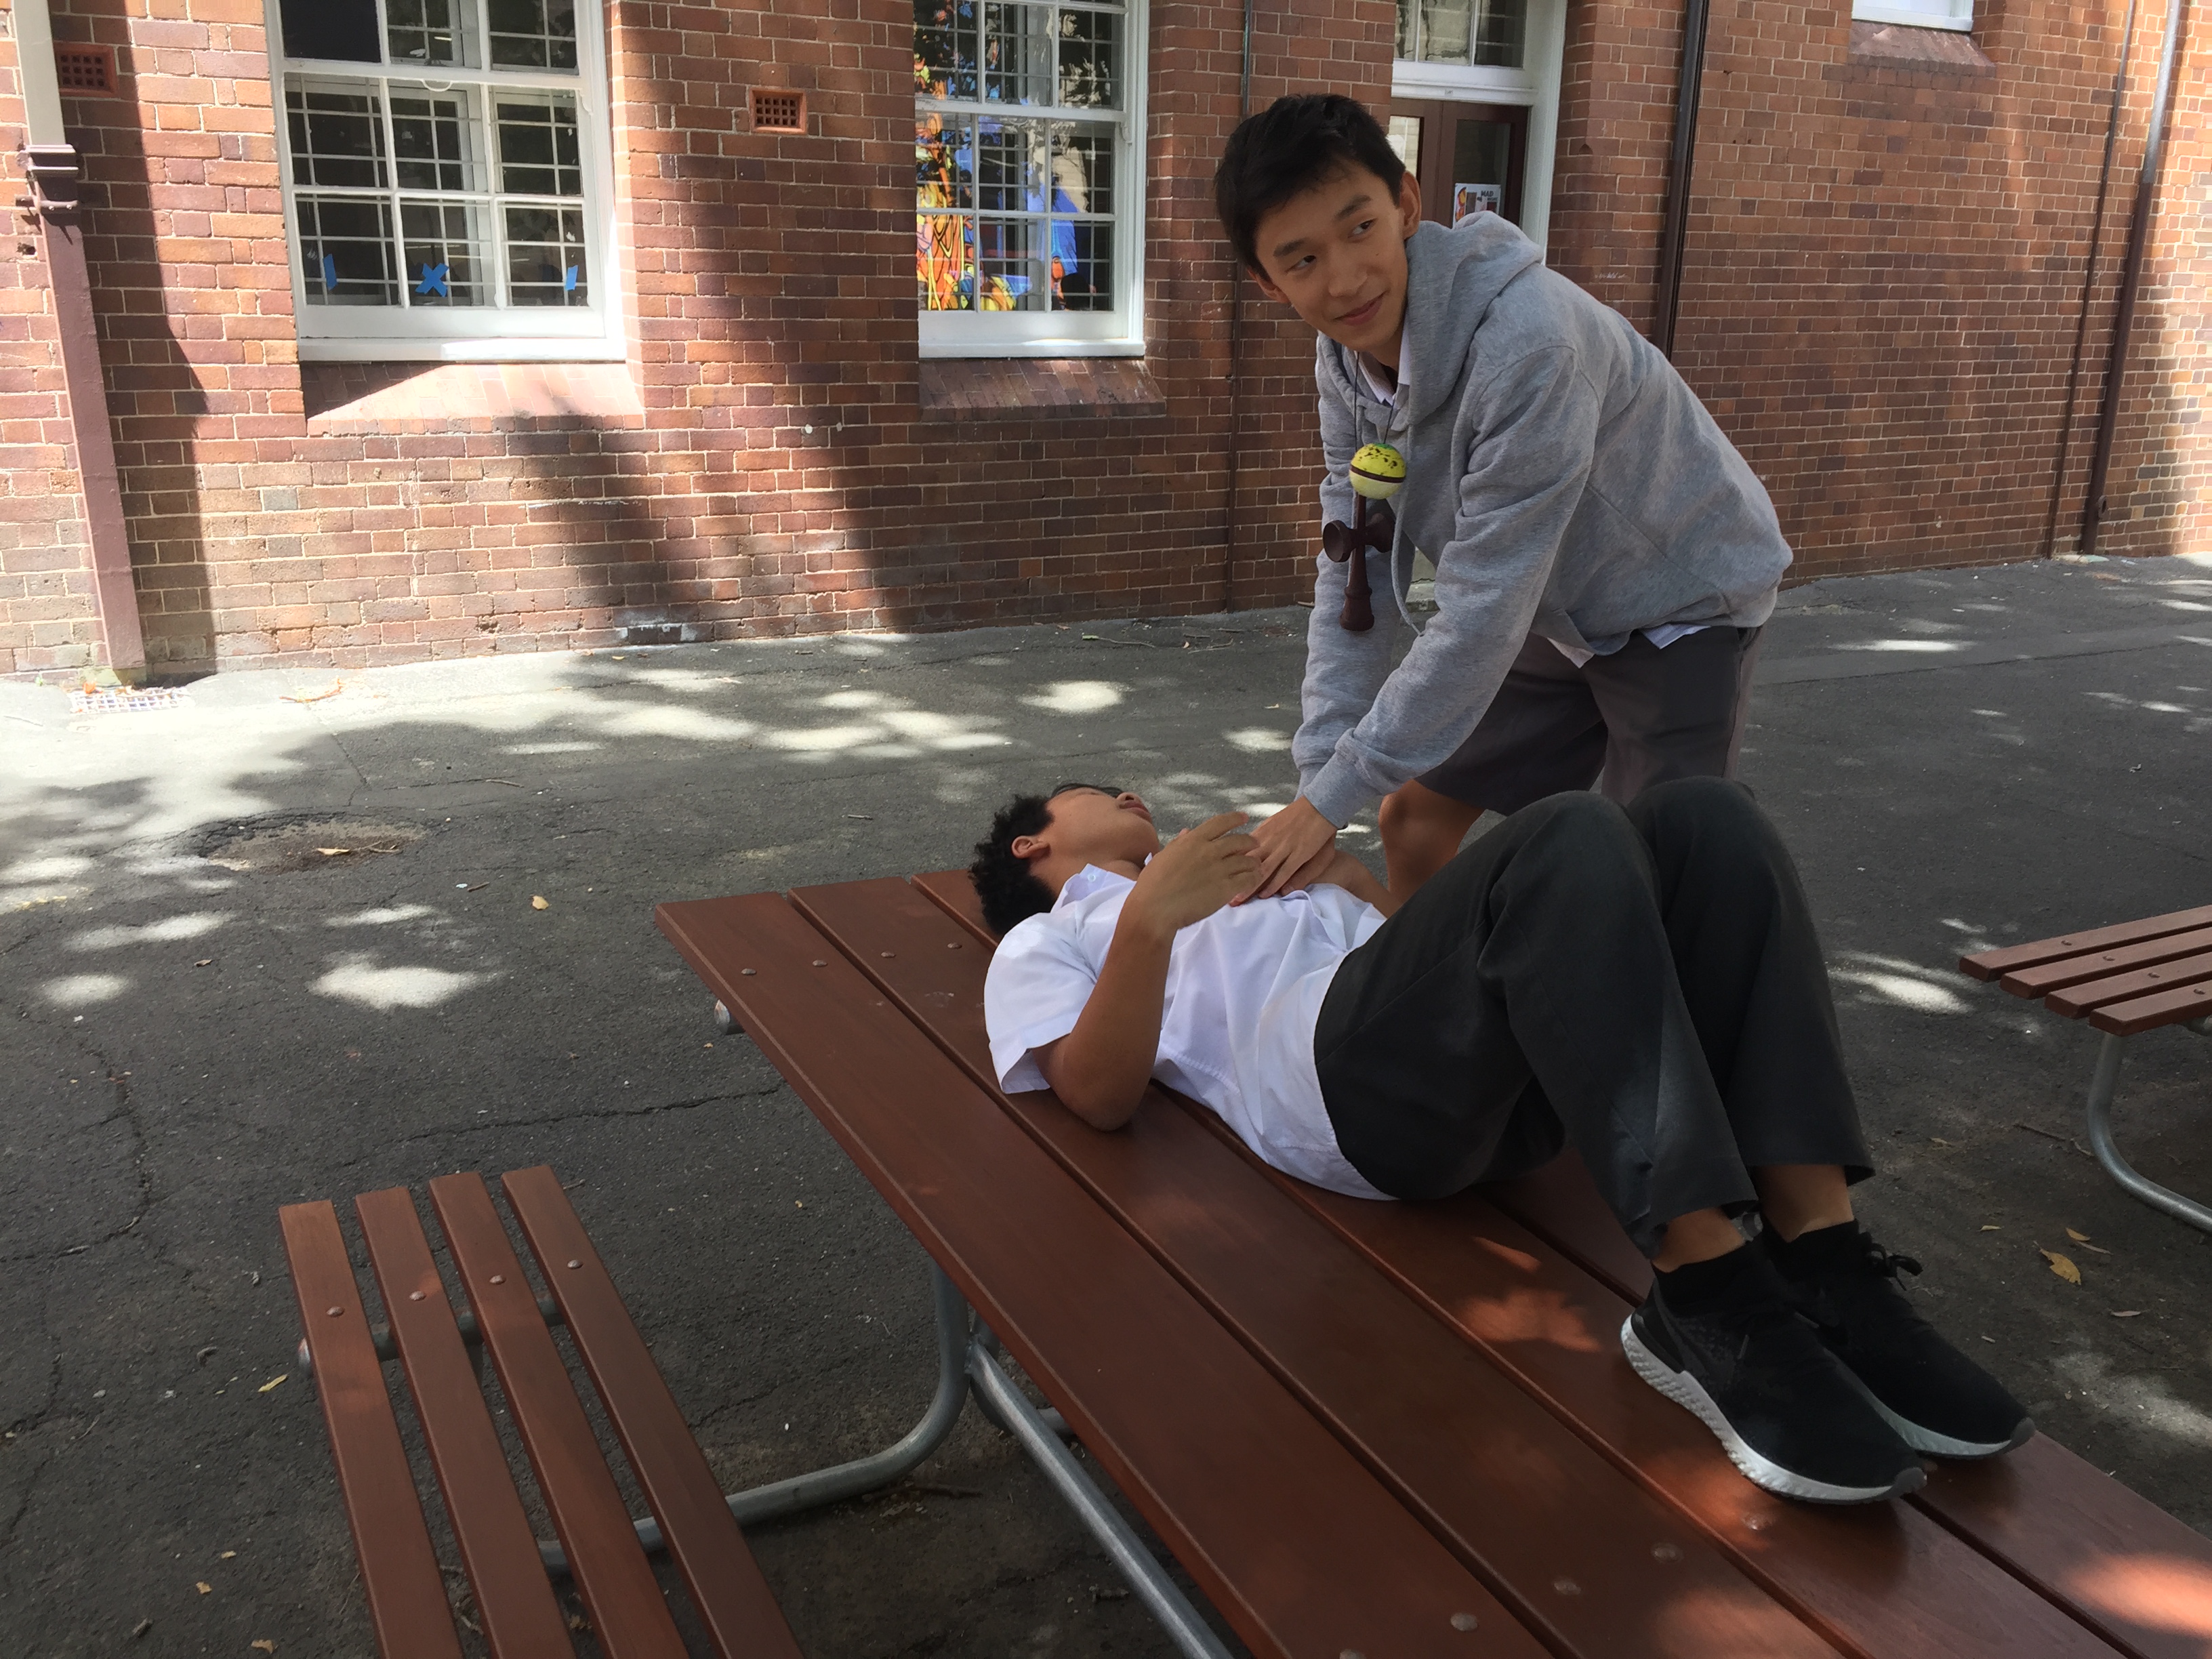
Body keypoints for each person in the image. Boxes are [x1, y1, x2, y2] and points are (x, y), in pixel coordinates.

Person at [972, 780, 2030, 1505]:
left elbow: (1440, 959)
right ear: (1034, 845)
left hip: (1484, 1075)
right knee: (1566, 832)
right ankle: (1706, 1293)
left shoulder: (1243, 875)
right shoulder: (1048, 937)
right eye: (1099, 792)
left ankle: (1821, 1257)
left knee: (1708, 817)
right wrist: (1150, 918)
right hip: (1334, 1096)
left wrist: (1352, 890)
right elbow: (1095, 1094)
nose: (1134, 796)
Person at [1212, 95, 1792, 900]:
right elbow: (1356, 570)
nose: (1344, 280)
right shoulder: (1344, 361)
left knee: (1649, 883)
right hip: (1549, 600)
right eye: (1302, 260)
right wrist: (1321, 781)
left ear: (1405, 203)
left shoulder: (1529, 348)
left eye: (1360, 228)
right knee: (1412, 820)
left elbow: (1483, 610)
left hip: (1679, 597)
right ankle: (1426, 980)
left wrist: (1327, 802)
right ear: (1267, 281)